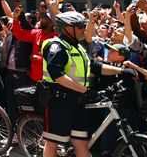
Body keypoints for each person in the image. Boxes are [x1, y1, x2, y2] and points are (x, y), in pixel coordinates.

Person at [41, 12, 137, 157]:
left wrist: (122, 70)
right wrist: (85, 91)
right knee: (52, 144)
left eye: (84, 25)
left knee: (82, 145)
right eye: (80, 26)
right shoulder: (57, 46)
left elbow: (95, 67)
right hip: (59, 101)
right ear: (67, 28)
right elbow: (57, 75)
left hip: (78, 101)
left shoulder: (79, 48)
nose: (84, 29)